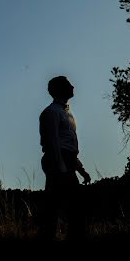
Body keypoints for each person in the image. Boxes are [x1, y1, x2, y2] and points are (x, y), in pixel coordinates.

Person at [39, 76, 91, 240]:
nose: (73, 86)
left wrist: (80, 169)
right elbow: (52, 143)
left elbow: (69, 146)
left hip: (67, 162)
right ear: (60, 89)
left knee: (68, 206)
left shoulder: (66, 113)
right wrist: (60, 167)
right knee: (61, 206)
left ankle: (68, 241)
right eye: (68, 84)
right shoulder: (51, 112)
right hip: (57, 162)